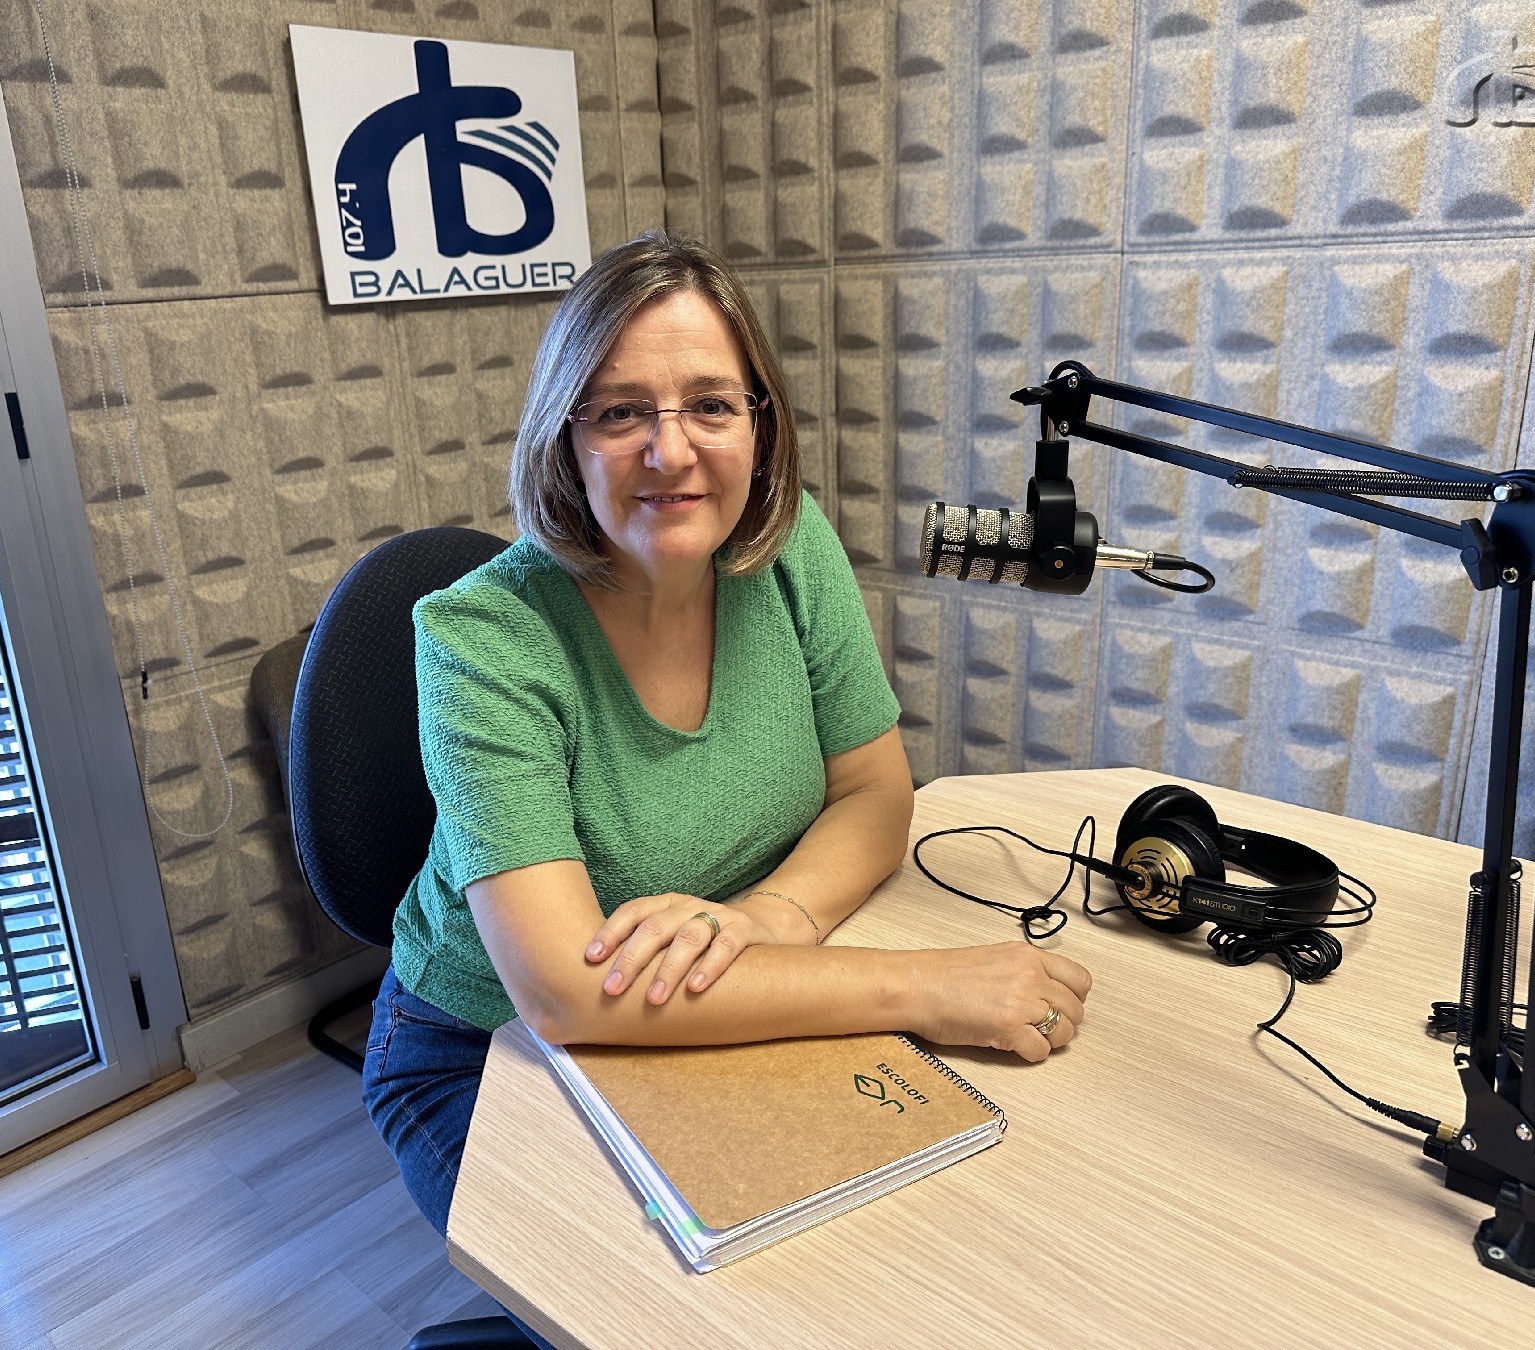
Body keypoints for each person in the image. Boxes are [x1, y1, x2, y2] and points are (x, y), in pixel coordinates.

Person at [361, 230, 1092, 1312]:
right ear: (565, 437)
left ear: (760, 422)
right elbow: (565, 992)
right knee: (654, 1316)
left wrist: (766, 921)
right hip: (488, 1049)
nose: (671, 452)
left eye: (710, 404)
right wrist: (927, 987)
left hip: (712, 995)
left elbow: (876, 793)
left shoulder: (787, 548)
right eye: (621, 412)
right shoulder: (480, 639)